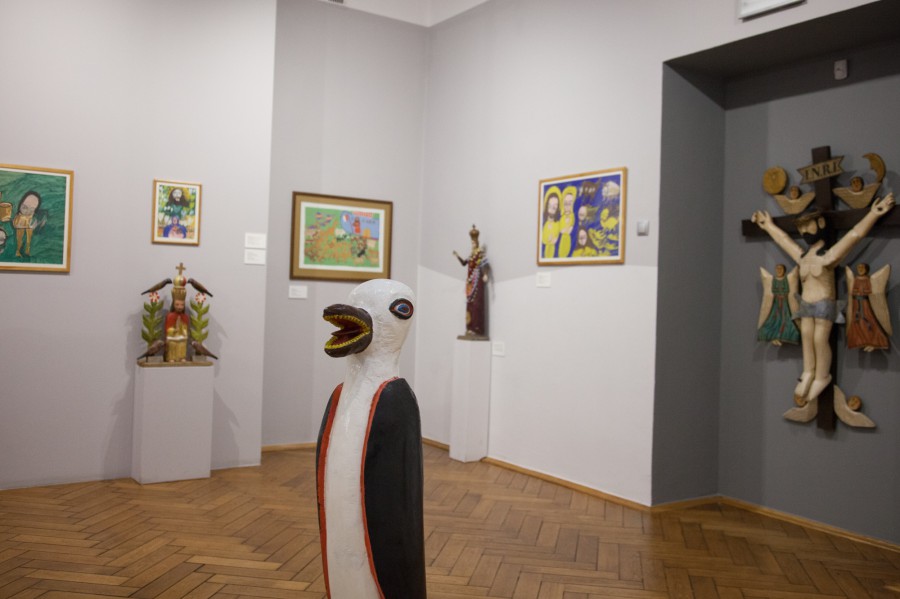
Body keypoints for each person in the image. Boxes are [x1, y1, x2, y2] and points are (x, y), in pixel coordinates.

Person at [751, 193, 895, 406]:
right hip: (806, 304)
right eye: (801, 228)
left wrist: (874, 214)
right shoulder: (802, 257)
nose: (803, 231)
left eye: (807, 226)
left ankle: (822, 376)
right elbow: (784, 241)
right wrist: (768, 226)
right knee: (806, 336)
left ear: (820, 224)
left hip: (824, 304)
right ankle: (808, 371)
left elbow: (854, 235)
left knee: (819, 339)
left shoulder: (829, 256)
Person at [453, 224, 490, 338]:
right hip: (470, 282)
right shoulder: (471, 255)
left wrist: (485, 274)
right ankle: (470, 328)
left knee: (477, 304)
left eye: (474, 243)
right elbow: (464, 263)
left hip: (477, 280)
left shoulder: (479, 254)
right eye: (472, 243)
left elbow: (485, 265)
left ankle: (477, 329)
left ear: (477, 243)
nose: (472, 245)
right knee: (470, 304)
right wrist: (457, 256)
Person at [845, 262, 891, 352]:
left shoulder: (867, 280)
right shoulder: (856, 279)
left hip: (865, 304)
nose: (860, 269)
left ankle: (875, 342)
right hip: (856, 304)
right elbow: (853, 290)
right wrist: (856, 292)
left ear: (866, 269)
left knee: (869, 320)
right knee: (857, 323)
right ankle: (860, 341)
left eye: (862, 267)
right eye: (859, 267)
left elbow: (868, 290)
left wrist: (862, 292)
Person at [757, 264, 800, 346]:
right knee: (773, 319)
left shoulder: (785, 280)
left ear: (784, 270)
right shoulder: (774, 280)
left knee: (785, 319)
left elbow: (787, 290)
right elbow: (773, 290)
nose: (779, 270)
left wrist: (782, 295)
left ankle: (784, 335)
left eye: (781, 269)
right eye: (777, 269)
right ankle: (773, 336)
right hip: (776, 303)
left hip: (784, 303)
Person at [164, 283, 190, 362]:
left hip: (181, 335)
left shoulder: (185, 317)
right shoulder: (170, 316)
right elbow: (167, 329)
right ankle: (171, 357)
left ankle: (181, 357)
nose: (179, 307)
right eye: (177, 304)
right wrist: (174, 329)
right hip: (173, 336)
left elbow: (186, 328)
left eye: (182, 305)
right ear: (173, 305)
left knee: (182, 344)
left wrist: (183, 329)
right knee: (172, 344)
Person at [13, 192, 40, 258]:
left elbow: (35, 223)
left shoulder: (31, 217)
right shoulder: (19, 217)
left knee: (28, 241)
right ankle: (18, 252)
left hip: (29, 232)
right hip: (20, 232)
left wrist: (34, 226)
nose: (28, 211)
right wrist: (26, 227)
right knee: (19, 241)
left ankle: (27, 251)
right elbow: (16, 225)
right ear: (20, 205)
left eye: (32, 209)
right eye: (25, 207)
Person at [541, 188, 561, 258]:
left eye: (554, 207)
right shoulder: (543, 223)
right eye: (549, 206)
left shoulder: (558, 224)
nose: (551, 210)